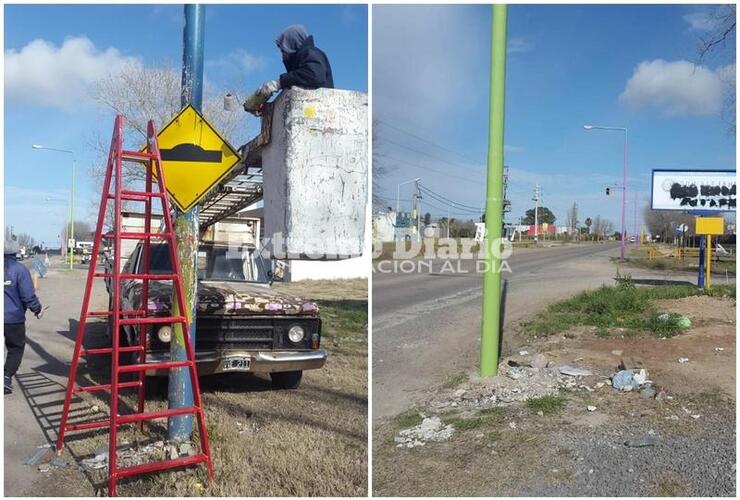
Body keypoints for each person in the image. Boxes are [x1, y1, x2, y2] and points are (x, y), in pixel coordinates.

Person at [246, 25, 334, 113]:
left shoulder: (311, 53)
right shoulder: (302, 59)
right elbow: (299, 84)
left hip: (319, 112)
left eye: (283, 50)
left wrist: (278, 83)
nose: (283, 55)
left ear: (292, 44)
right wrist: (266, 109)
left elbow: (314, 75)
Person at [4, 238, 43, 394]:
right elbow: (27, 295)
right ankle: (6, 377)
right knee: (15, 348)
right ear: (15, 252)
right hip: (13, 319)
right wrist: (37, 309)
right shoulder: (19, 270)